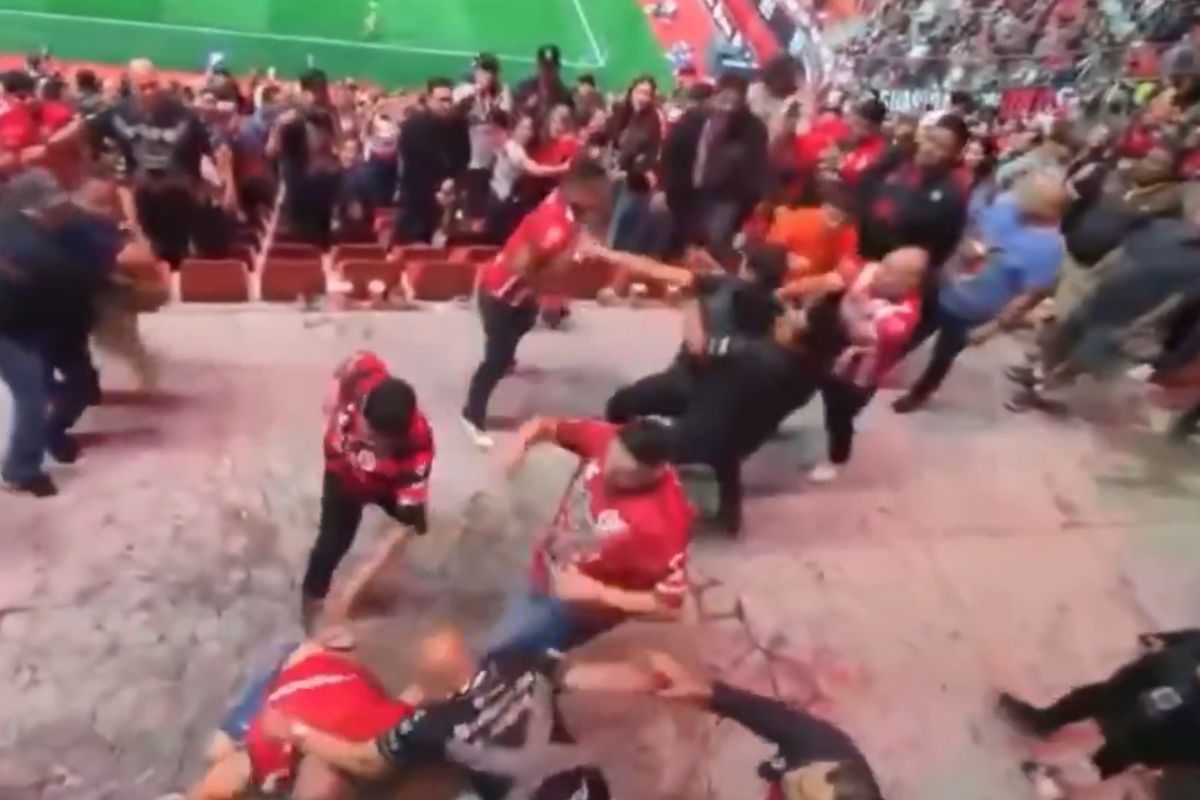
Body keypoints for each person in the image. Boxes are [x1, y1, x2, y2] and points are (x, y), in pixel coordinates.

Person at [187, 530, 440, 800]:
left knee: (222, 750)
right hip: (322, 713)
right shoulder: (365, 725)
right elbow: (381, 753)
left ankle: (391, 546)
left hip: (304, 702)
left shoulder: (321, 660)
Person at [262, 646, 628, 800]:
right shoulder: (519, 665)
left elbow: (366, 760)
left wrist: (295, 731)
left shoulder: (437, 725)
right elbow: (588, 675)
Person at [485, 417, 693, 660]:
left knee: (503, 649)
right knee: (512, 626)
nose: (607, 474)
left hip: (578, 608)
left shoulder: (664, 524)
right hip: (547, 564)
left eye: (622, 473)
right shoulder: (608, 437)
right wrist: (518, 443)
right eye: (608, 459)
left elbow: (671, 606)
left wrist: (599, 593)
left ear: (655, 472)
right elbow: (546, 424)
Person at [461, 157, 611, 449]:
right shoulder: (552, 226)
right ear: (578, 190)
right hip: (500, 295)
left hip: (523, 298)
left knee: (525, 323)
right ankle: (471, 414)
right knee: (496, 358)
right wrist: (562, 269)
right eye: (598, 191)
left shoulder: (563, 204)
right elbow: (522, 267)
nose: (603, 197)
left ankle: (507, 356)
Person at [892, 172, 1067, 413]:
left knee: (943, 355)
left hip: (971, 310)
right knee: (910, 332)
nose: (1017, 197)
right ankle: (883, 366)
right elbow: (974, 228)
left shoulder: (1048, 249)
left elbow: (1028, 296)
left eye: (1025, 195)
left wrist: (993, 328)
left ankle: (920, 392)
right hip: (944, 285)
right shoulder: (1008, 206)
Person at [0, 170, 124, 497]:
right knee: (33, 392)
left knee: (80, 384)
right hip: (14, 327)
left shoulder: (75, 225)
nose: (58, 211)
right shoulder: (29, 247)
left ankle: (50, 435)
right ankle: (20, 470)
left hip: (53, 321)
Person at [302, 351, 434, 627]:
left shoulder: (417, 447)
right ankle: (312, 598)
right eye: (365, 424)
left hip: (386, 482)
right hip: (343, 477)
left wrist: (353, 587)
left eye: (373, 436)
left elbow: (410, 497)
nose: (363, 431)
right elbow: (352, 363)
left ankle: (382, 581)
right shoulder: (364, 377)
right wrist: (331, 401)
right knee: (332, 543)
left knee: (412, 523)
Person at [643, 651, 884, 800]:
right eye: (800, 778)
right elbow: (764, 714)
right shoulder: (824, 747)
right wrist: (701, 690)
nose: (790, 780)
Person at [998, 628, 1200, 798]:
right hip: (1157, 683)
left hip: (1164, 720)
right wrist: (1168, 639)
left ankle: (1052, 772)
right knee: (1095, 702)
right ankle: (1044, 731)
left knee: (1109, 747)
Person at [85, 59, 213, 268]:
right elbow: (87, 132)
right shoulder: (119, 113)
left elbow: (205, 151)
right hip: (143, 195)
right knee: (149, 255)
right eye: (143, 87)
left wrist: (197, 186)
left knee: (176, 255)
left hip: (177, 196)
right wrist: (102, 166)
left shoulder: (183, 115)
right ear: (132, 87)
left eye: (154, 85)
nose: (150, 92)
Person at [854, 113, 971, 299]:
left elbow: (943, 248)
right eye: (931, 139)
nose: (931, 148)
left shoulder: (951, 194)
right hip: (857, 256)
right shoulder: (897, 159)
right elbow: (866, 185)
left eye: (942, 147)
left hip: (891, 279)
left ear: (954, 154)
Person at [661, 72, 769, 255]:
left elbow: (755, 171)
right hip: (687, 191)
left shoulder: (754, 129)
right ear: (716, 95)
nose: (728, 106)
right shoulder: (695, 118)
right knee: (679, 242)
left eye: (734, 101)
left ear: (743, 101)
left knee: (710, 248)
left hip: (725, 200)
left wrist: (745, 207)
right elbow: (672, 151)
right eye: (724, 98)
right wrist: (665, 186)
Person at [392, 77, 470, 246]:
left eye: (449, 100)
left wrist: (452, 180)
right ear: (428, 100)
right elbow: (413, 169)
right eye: (442, 100)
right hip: (417, 203)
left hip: (449, 199)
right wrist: (435, 192)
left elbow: (463, 157)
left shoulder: (459, 125)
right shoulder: (412, 128)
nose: (447, 105)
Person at [514, 44, 574, 120]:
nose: (547, 71)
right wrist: (525, 109)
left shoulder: (565, 96)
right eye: (544, 66)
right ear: (538, 65)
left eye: (551, 66)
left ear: (558, 67)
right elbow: (514, 116)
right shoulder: (524, 88)